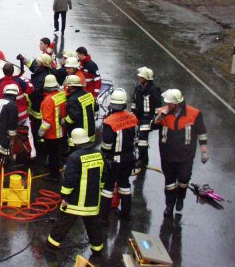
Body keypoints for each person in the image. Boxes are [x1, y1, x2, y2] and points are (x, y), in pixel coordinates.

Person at [46, 128, 104, 259]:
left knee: (62, 225)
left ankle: (50, 248)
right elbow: (104, 176)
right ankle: (97, 251)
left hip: (75, 202)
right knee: (93, 227)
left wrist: (64, 196)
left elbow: (70, 180)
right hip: (93, 201)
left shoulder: (74, 157)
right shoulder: (99, 154)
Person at [154, 89, 209, 218]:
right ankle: (169, 205)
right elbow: (152, 126)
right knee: (169, 182)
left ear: (177, 104)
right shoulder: (162, 112)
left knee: (184, 180)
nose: (168, 106)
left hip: (186, 156)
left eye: (170, 104)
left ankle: (180, 198)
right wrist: (158, 118)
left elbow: (201, 133)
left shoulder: (194, 114)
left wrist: (204, 152)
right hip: (167, 155)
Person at [99, 89, 139, 224]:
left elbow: (107, 145)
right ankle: (126, 214)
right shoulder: (133, 118)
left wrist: (103, 155)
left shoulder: (109, 121)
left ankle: (103, 218)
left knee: (108, 188)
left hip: (114, 161)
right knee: (124, 185)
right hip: (130, 158)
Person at [0, 63, 36, 158]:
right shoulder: (19, 81)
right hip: (22, 115)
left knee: (10, 137)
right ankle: (32, 154)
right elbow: (30, 89)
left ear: (3, 72)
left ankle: (12, 156)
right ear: (13, 71)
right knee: (28, 134)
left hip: (7, 117)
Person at [131, 67, 162, 170]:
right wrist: (132, 115)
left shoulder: (154, 90)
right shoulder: (138, 89)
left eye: (141, 77)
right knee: (138, 137)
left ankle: (141, 159)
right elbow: (134, 103)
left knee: (142, 139)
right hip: (139, 117)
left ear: (146, 79)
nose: (139, 78)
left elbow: (158, 106)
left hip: (149, 118)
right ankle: (144, 160)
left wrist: (156, 120)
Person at [38, 75, 67, 182]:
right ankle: (53, 166)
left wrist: (40, 133)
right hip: (61, 130)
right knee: (56, 153)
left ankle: (54, 175)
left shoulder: (47, 101)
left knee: (53, 153)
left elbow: (46, 123)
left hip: (51, 133)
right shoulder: (61, 95)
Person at [62, 75, 96, 144]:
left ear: (71, 86)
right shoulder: (89, 94)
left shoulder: (72, 99)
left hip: (79, 135)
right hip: (91, 132)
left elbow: (72, 117)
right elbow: (96, 108)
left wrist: (64, 121)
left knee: (76, 154)